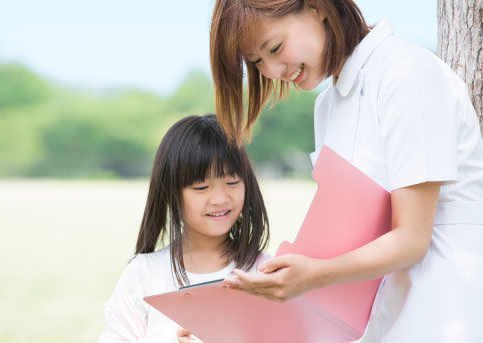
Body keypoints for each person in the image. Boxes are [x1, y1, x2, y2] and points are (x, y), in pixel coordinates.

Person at [210, 0, 483, 341]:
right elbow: (349, 235)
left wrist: (315, 275)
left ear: (316, 8)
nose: (272, 71)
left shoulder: (405, 72)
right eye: (256, 62)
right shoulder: (328, 106)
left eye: (275, 48)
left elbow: (412, 239)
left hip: (447, 309)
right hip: (381, 313)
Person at [99, 114, 270, 343]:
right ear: (170, 193)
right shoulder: (143, 274)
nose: (220, 198)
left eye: (232, 182)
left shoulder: (266, 273)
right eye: (201, 187)